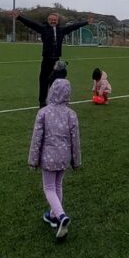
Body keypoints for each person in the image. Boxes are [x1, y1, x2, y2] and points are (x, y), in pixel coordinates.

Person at [28, 78, 81, 240]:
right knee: (58, 184)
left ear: (52, 92)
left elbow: (37, 138)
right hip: (64, 158)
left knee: (49, 187)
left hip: (48, 158)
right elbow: (75, 140)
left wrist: (33, 160)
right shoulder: (71, 115)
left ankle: (61, 216)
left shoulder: (43, 112)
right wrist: (76, 161)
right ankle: (53, 216)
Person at [10, 10, 93, 106]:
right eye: (51, 20)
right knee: (43, 81)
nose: (53, 21)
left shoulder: (61, 30)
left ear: (57, 21)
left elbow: (73, 27)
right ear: (48, 20)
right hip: (46, 60)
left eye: (55, 20)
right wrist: (19, 17)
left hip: (56, 61)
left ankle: (54, 101)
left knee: (55, 82)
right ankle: (42, 102)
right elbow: (31, 24)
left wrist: (86, 22)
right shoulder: (43, 29)